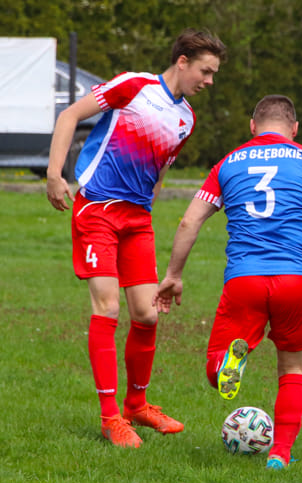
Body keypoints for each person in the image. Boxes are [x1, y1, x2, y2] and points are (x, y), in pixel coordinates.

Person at [154, 94, 302, 470]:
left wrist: (173, 275)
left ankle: (229, 361)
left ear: (252, 127)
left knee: (216, 371)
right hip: (298, 278)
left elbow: (189, 222)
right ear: (295, 129)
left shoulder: (228, 163)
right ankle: (279, 454)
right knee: (294, 369)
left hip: (244, 278)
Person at [45, 29, 227, 448]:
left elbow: (159, 171)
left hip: (137, 220)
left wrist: (147, 211)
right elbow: (69, 115)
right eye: (206, 70)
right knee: (107, 306)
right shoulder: (134, 87)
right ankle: (111, 419)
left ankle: (136, 405)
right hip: (98, 211)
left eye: (214, 73)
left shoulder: (187, 119)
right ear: (182, 61)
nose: (210, 81)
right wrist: (55, 175)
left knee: (147, 315)